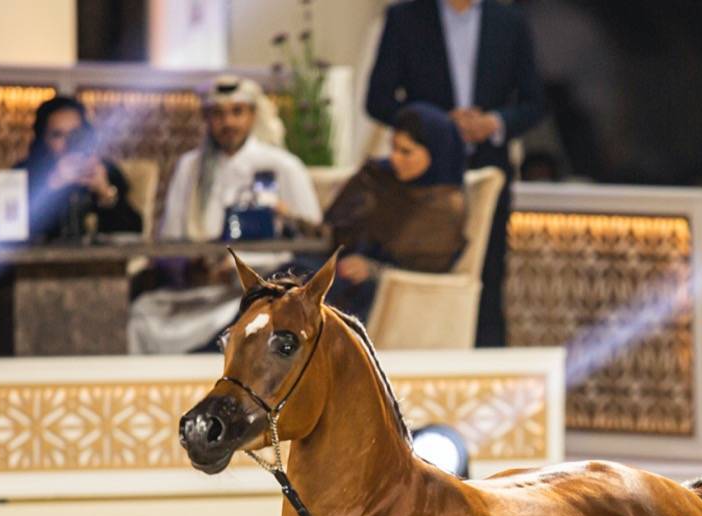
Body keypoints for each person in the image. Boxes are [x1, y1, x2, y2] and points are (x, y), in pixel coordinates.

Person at [366, 0, 547, 347]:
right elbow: (377, 99)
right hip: (422, 180)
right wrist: (435, 126)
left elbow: (534, 101)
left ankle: (485, 373)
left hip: (488, 170)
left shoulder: (509, 21)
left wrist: (494, 123)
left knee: (488, 277)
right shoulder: (405, 18)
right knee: (415, 272)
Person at [128, 76, 322, 355]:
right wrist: (193, 266)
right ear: (206, 118)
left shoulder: (283, 166)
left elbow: (313, 240)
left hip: (261, 292)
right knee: (143, 317)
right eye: (218, 114)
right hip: (199, 290)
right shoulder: (189, 168)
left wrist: (283, 215)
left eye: (237, 112)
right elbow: (170, 240)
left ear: (252, 115)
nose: (228, 122)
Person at [295, 102, 467, 321]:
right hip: (341, 268)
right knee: (289, 276)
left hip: (381, 291)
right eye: (393, 148)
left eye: (406, 152)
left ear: (436, 153)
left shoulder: (444, 206)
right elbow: (337, 229)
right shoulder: (379, 179)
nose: (395, 158)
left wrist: (375, 269)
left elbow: (429, 264)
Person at [14, 95, 143, 241]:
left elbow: (134, 233)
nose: (69, 142)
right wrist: (51, 186)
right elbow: (11, 236)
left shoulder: (105, 171)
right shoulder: (22, 175)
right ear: (43, 140)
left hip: (97, 262)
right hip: (39, 263)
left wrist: (105, 194)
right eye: (58, 135)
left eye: (76, 134)